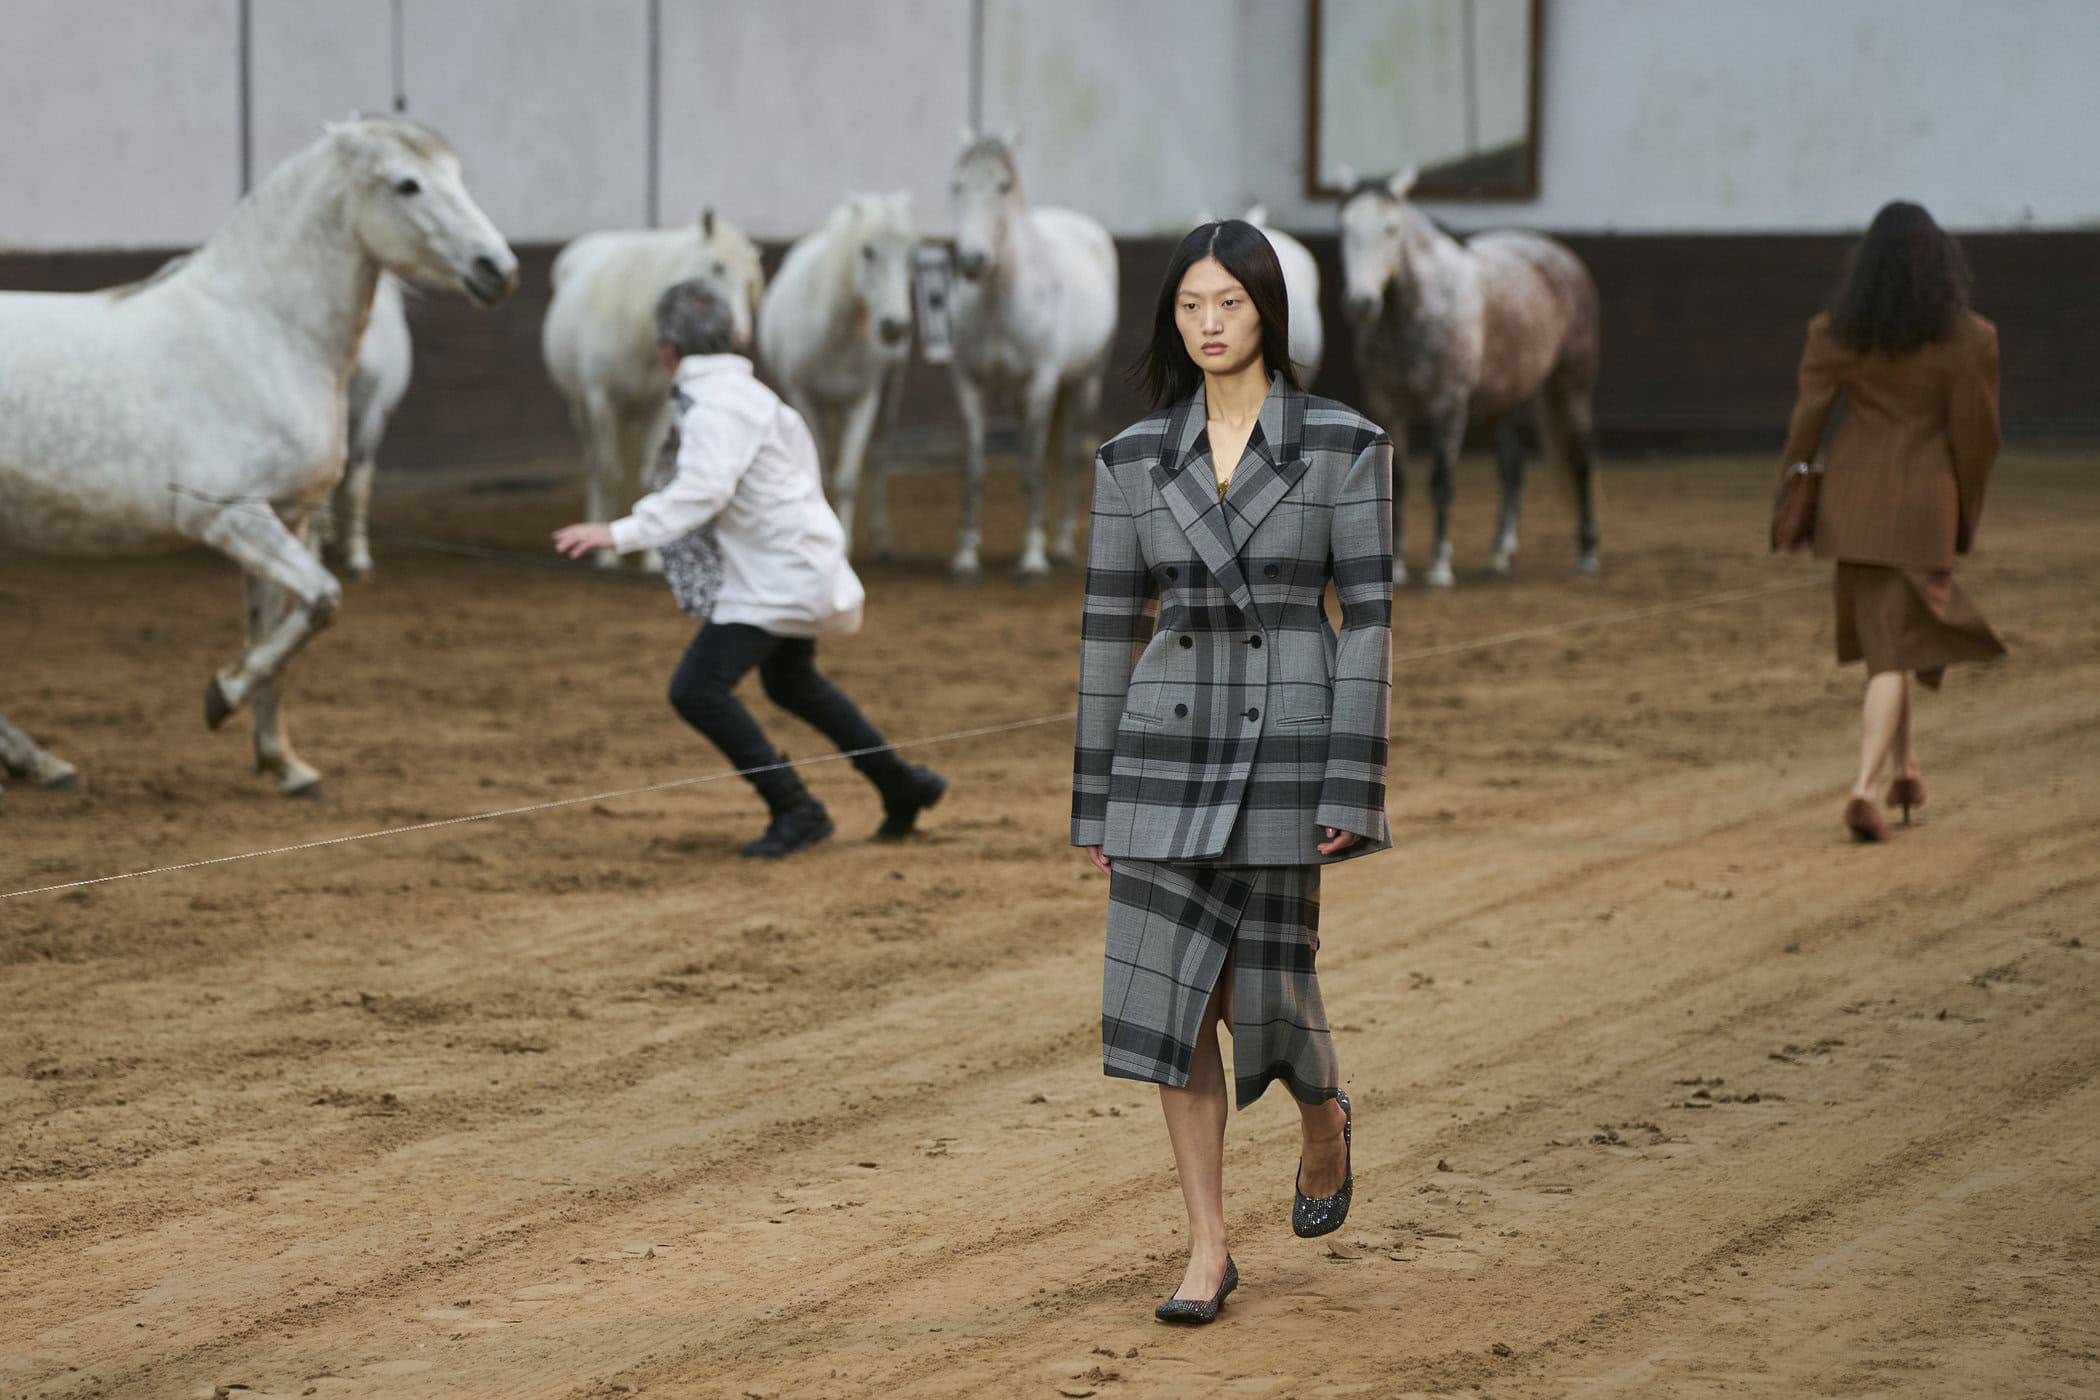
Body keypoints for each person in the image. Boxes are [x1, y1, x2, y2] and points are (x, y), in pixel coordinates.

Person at [1072, 220, 1393, 1325]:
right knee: (1174, 1001)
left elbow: (1370, 618)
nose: (1209, 325)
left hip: (1288, 743)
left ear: (1269, 312)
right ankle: (1207, 1247)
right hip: (1163, 747)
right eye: (1190, 306)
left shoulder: (1345, 444)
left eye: (1231, 304)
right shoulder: (1129, 459)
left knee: (1265, 988)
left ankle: (1321, 1110)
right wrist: (1093, 799)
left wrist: (1354, 780)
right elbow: (1106, 632)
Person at [554, 279, 945, 857]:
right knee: (792, 683)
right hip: (787, 563)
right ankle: (901, 784)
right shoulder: (748, 394)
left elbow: (704, 490)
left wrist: (619, 532)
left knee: (697, 690)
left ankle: (797, 808)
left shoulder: (716, 405)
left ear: (667, 350)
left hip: (777, 574)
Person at [1778, 200, 2003, 844]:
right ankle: (1864, 786)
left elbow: (1807, 424)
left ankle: (1907, 769)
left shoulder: (1833, 333)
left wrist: (1789, 494)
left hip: (1851, 504)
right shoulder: (1971, 338)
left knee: (1891, 636)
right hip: (1926, 505)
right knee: (1891, 650)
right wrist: (1966, 515)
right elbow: (1977, 441)